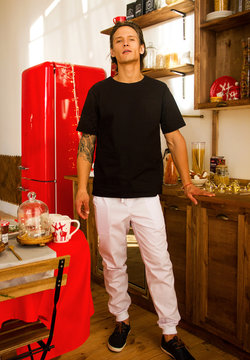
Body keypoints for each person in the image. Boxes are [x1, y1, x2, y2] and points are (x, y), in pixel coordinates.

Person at [76, 21, 214, 360]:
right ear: (112, 51)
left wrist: (186, 181)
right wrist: (82, 187)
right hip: (107, 193)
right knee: (113, 262)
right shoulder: (99, 92)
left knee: (158, 263)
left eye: (131, 40)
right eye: (118, 41)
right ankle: (122, 320)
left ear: (140, 49)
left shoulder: (158, 92)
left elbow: (175, 138)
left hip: (147, 195)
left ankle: (169, 332)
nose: (124, 44)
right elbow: (86, 143)